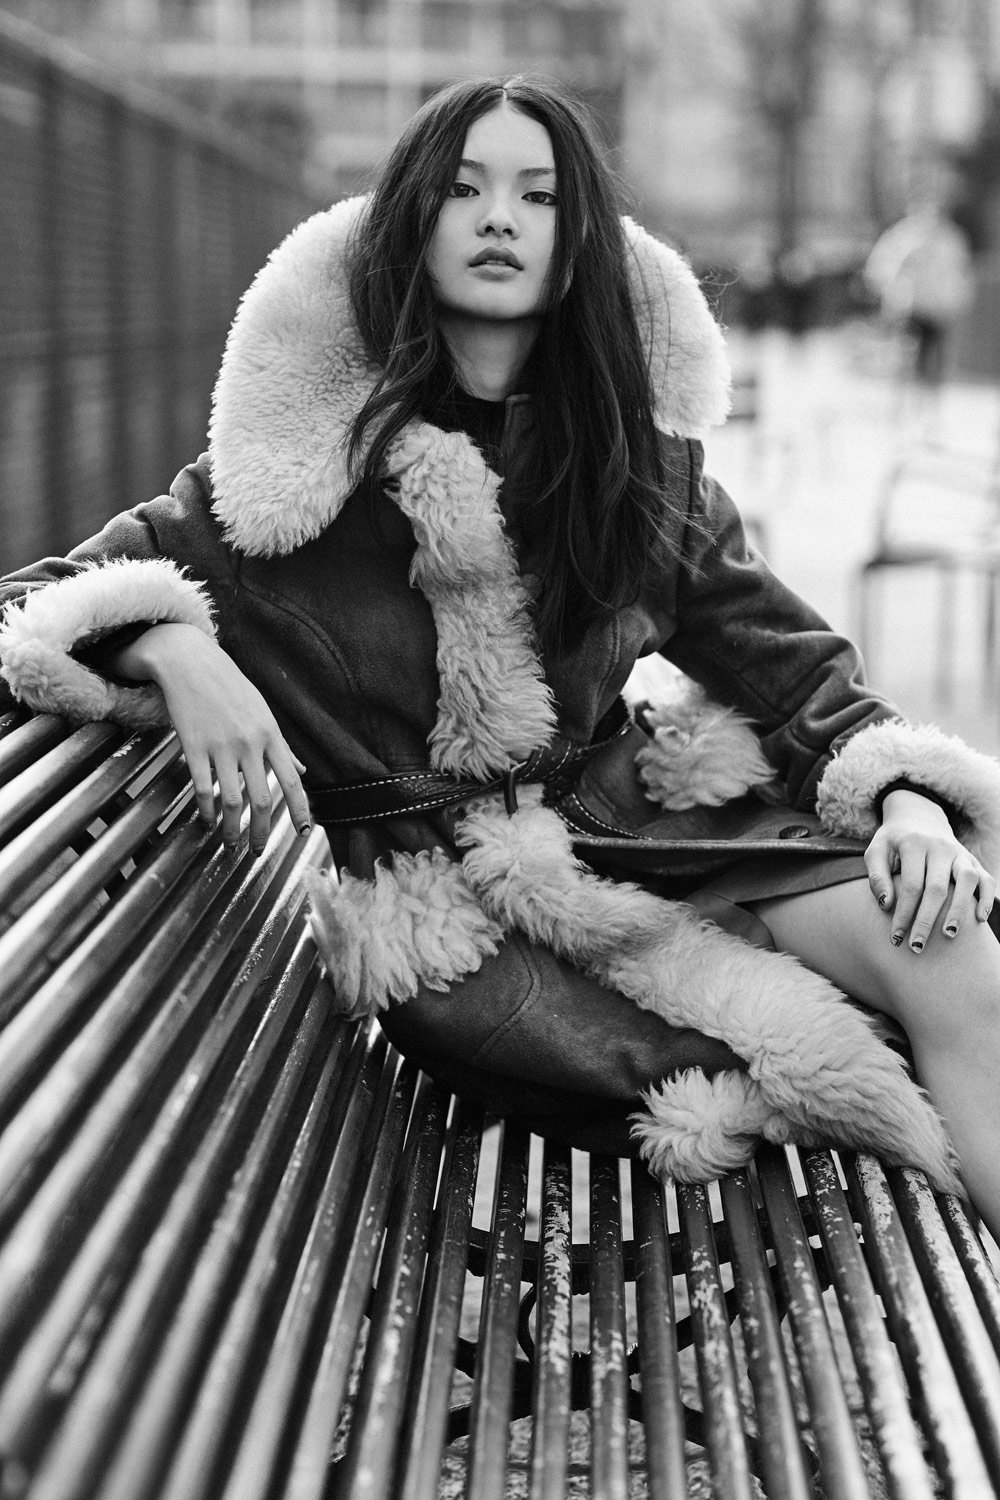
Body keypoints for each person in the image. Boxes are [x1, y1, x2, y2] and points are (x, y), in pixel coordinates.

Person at [3, 77, 1000, 1234]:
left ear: (577, 244)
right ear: (410, 222)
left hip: (650, 836)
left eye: (537, 195)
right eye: (463, 188)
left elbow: (797, 672)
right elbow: (34, 605)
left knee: (954, 954)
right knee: (829, 1045)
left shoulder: (634, 467)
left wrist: (910, 806)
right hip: (465, 932)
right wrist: (173, 639)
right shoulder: (297, 479)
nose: (498, 218)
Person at [865, 200, 975, 389]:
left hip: (939, 309)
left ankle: (928, 401)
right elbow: (882, 268)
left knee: (934, 356)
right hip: (909, 306)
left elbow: (961, 273)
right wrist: (892, 290)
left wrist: (960, 300)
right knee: (906, 354)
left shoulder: (950, 239)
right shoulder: (903, 237)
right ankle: (902, 399)